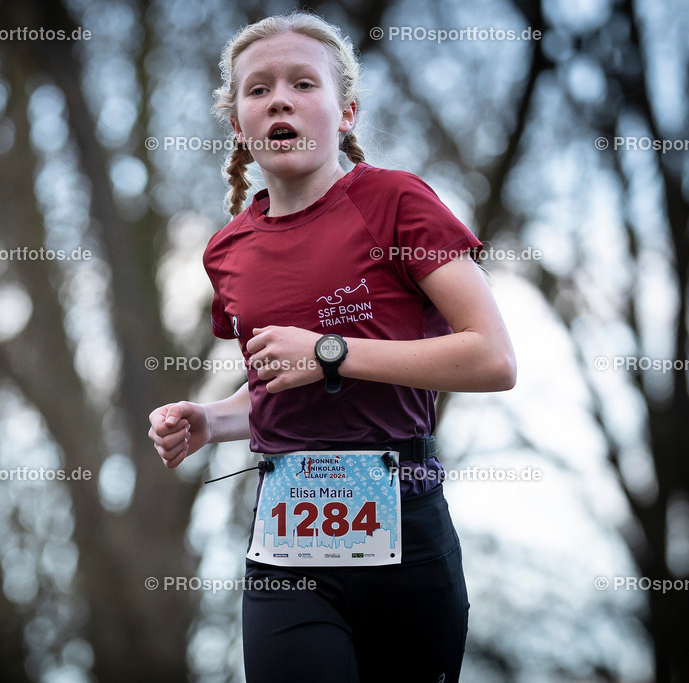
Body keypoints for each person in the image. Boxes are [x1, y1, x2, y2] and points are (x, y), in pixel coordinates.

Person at [147, 11, 516, 683]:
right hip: (287, 547)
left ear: (346, 112)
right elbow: (275, 388)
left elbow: (491, 357)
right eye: (258, 89)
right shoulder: (228, 250)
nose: (279, 100)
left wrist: (331, 352)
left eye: (302, 83)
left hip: (407, 533)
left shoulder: (396, 202)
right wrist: (211, 420)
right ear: (238, 123)